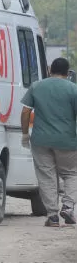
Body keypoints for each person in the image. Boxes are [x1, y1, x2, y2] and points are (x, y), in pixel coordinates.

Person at [21, 57, 77, 227]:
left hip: (41, 140)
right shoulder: (73, 89)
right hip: (68, 140)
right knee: (71, 174)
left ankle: (52, 216)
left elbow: (25, 111)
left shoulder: (37, 86)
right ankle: (68, 206)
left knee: (47, 176)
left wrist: (25, 134)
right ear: (68, 73)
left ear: (50, 70)